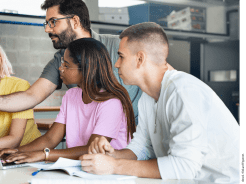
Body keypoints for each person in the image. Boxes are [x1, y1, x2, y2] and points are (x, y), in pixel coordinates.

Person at [80, 22, 240, 183]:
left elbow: (184, 167)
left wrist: (114, 165)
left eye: (121, 56)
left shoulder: (182, 91)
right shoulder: (148, 97)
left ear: (140, 59)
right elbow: (143, 148)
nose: (116, 64)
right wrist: (112, 155)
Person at [0, 0, 142, 125]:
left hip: (135, 140)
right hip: (92, 144)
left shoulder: (119, 47)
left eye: (53, 22)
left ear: (75, 21)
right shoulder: (60, 60)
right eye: (46, 23)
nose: (47, 29)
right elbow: (31, 96)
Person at [0, 38, 136, 163]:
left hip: (111, 172)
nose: (60, 68)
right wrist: (18, 151)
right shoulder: (71, 95)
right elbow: (50, 139)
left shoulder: (111, 103)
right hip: (81, 167)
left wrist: (44, 155)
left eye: (66, 65)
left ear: (86, 69)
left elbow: (92, 149)